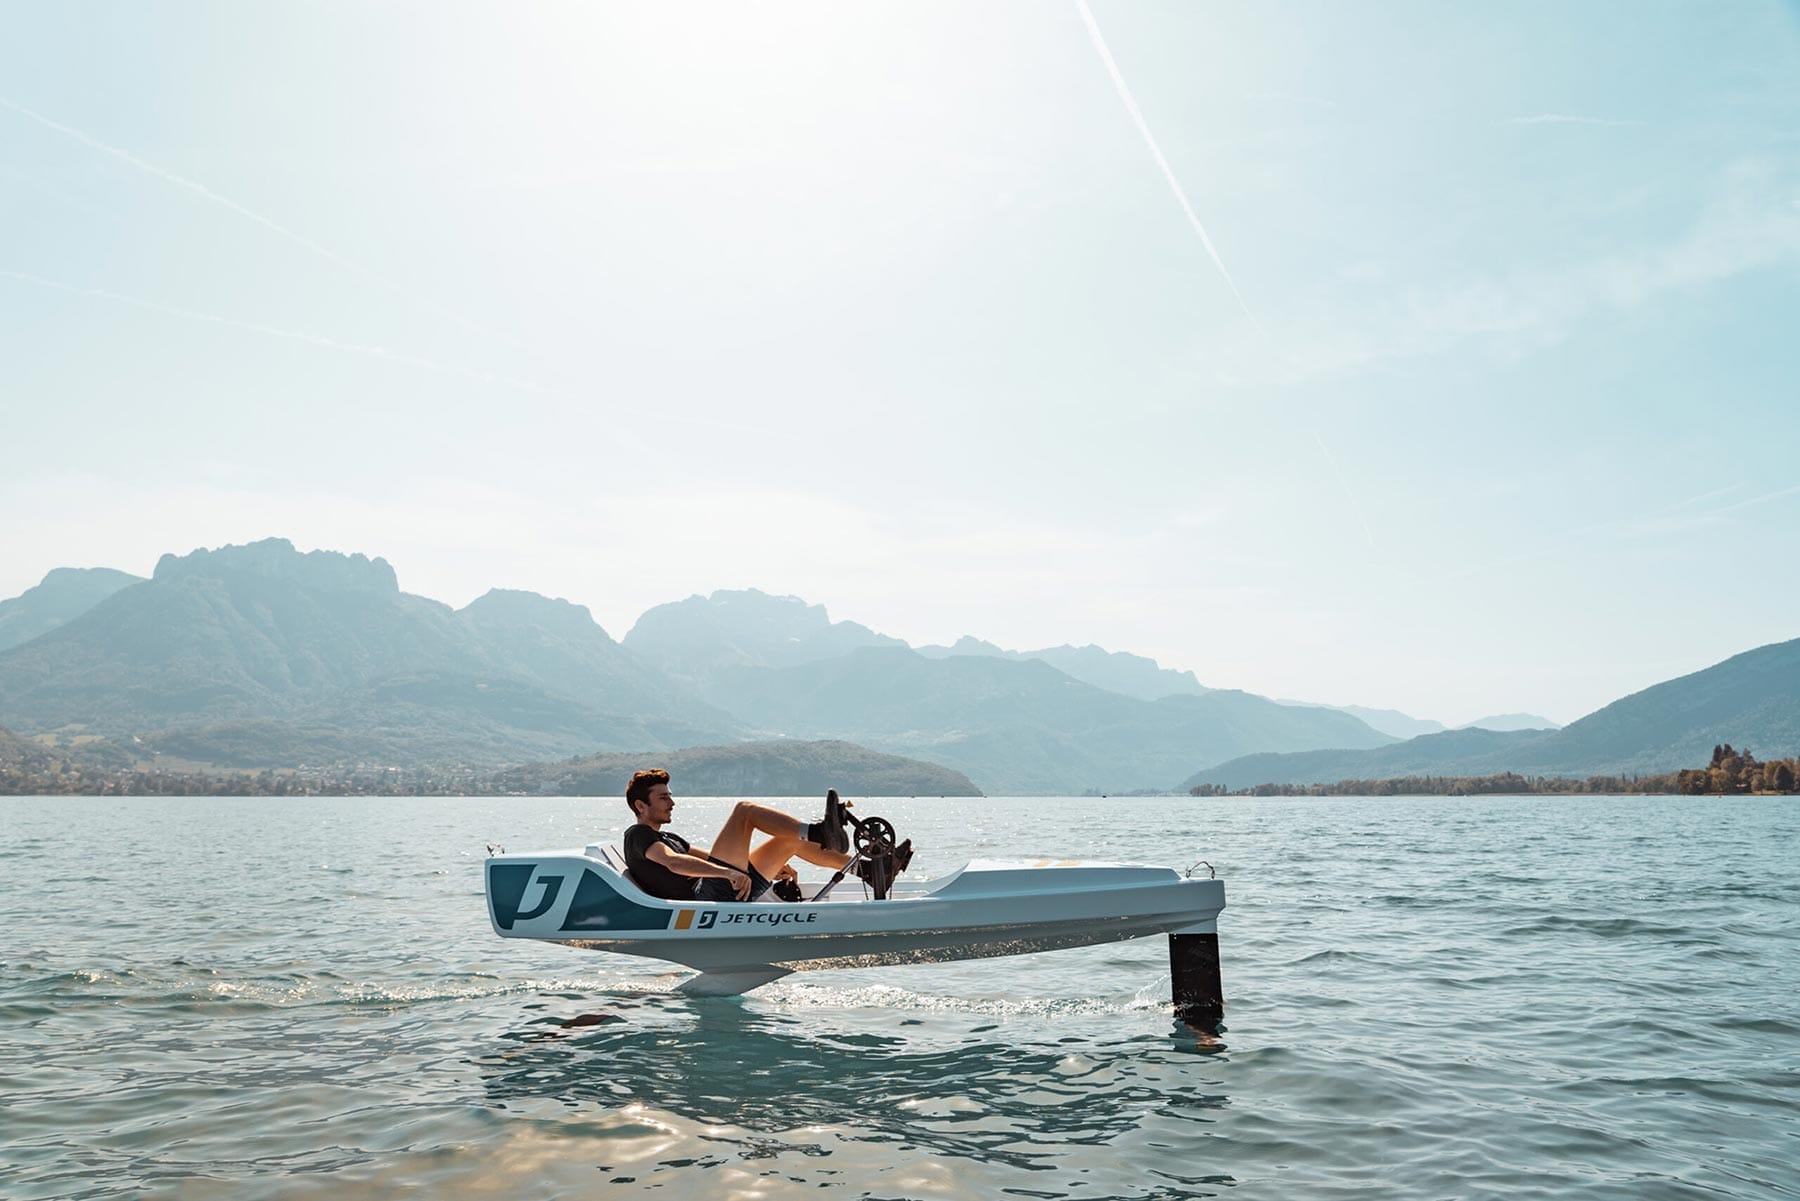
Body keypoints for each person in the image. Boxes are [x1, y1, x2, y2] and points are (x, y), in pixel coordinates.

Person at [623, 769, 893, 902]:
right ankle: (819, 831)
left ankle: (866, 870)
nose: (671, 803)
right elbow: (675, 863)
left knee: (789, 841)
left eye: (670, 796)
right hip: (704, 901)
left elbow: (708, 858)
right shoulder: (639, 836)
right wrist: (729, 874)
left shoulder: (670, 837)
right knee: (745, 811)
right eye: (663, 798)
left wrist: (770, 866)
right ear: (640, 806)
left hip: (728, 890)